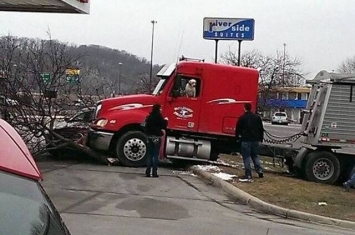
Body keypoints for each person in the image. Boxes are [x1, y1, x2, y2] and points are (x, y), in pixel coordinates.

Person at [235, 103, 264, 182]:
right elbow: (261, 129)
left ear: (244, 108)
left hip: (246, 140)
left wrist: (237, 138)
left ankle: (248, 174)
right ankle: (259, 170)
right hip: (255, 140)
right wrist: (261, 139)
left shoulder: (242, 118)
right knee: (255, 155)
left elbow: (238, 129)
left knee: (246, 157)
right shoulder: (257, 117)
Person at [144, 103, 167, 178]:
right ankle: (154, 173)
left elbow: (145, 126)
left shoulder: (149, 116)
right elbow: (163, 126)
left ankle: (147, 172)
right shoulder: (159, 117)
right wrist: (166, 121)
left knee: (149, 155)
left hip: (149, 137)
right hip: (157, 137)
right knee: (155, 155)